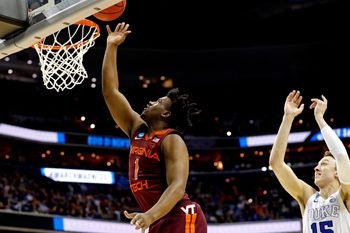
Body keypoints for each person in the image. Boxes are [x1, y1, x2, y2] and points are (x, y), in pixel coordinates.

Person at [102, 22, 207, 233]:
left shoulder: (171, 140)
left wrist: (149, 215)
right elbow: (110, 92)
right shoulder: (136, 128)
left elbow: (177, 187)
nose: (151, 102)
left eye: (158, 102)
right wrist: (111, 46)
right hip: (157, 219)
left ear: (166, 114)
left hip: (180, 215)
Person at [269, 90, 350, 232]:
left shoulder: (346, 195)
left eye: (324, 164)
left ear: (337, 172)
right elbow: (276, 163)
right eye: (317, 165)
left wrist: (319, 118)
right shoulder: (308, 197)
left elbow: (342, 157)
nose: (316, 168)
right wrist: (287, 118)